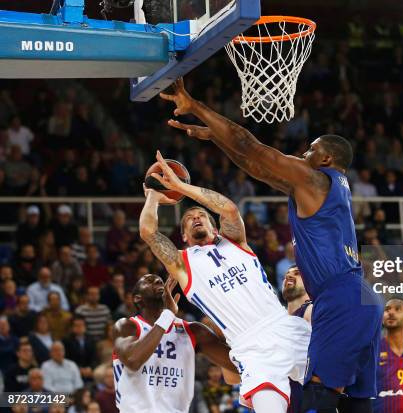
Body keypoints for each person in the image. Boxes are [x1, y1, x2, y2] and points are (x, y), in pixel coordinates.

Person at [163, 78, 383, 413]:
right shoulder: (326, 187)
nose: (303, 154)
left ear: (324, 157)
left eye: (309, 150)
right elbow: (257, 168)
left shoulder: (314, 178)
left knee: (317, 398)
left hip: (340, 298)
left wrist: (197, 107)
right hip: (362, 298)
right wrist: (217, 139)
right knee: (356, 401)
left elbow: (252, 147)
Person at [139, 157, 311, 413]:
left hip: (284, 327)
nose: (196, 217)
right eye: (189, 219)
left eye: (202, 215)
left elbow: (229, 209)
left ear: (215, 226)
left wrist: (182, 187)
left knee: (343, 392)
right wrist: (153, 194)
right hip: (250, 348)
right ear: (183, 235)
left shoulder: (235, 241)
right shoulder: (182, 264)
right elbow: (148, 232)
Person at [112, 274, 236, 413]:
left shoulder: (194, 331)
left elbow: (237, 368)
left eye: (159, 280)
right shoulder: (126, 326)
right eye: (149, 281)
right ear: (137, 298)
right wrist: (167, 315)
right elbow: (133, 360)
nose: (158, 280)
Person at [282, 266, 312, 413]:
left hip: (307, 398)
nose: (289, 276)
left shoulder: (312, 309)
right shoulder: (277, 318)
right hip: (280, 398)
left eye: (297, 273)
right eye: (286, 275)